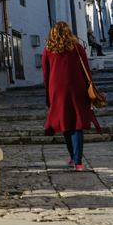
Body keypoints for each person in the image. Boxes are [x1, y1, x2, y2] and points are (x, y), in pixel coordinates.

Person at [42, 21, 100, 171]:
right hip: (77, 88)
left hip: (57, 90)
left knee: (65, 122)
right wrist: (91, 89)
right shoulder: (77, 48)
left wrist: (49, 95)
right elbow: (86, 70)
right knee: (77, 123)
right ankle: (77, 160)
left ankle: (73, 156)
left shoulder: (48, 50)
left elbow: (46, 75)